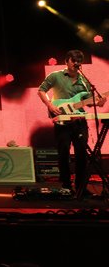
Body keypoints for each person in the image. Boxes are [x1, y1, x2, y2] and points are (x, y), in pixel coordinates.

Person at [37, 49, 106, 195]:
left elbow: (88, 102)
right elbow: (41, 90)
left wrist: (99, 103)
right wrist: (50, 105)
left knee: (82, 154)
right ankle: (66, 186)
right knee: (63, 153)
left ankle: (81, 187)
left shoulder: (84, 81)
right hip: (63, 122)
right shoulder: (56, 76)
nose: (76, 63)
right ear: (66, 61)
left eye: (79, 61)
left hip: (79, 122)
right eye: (73, 60)